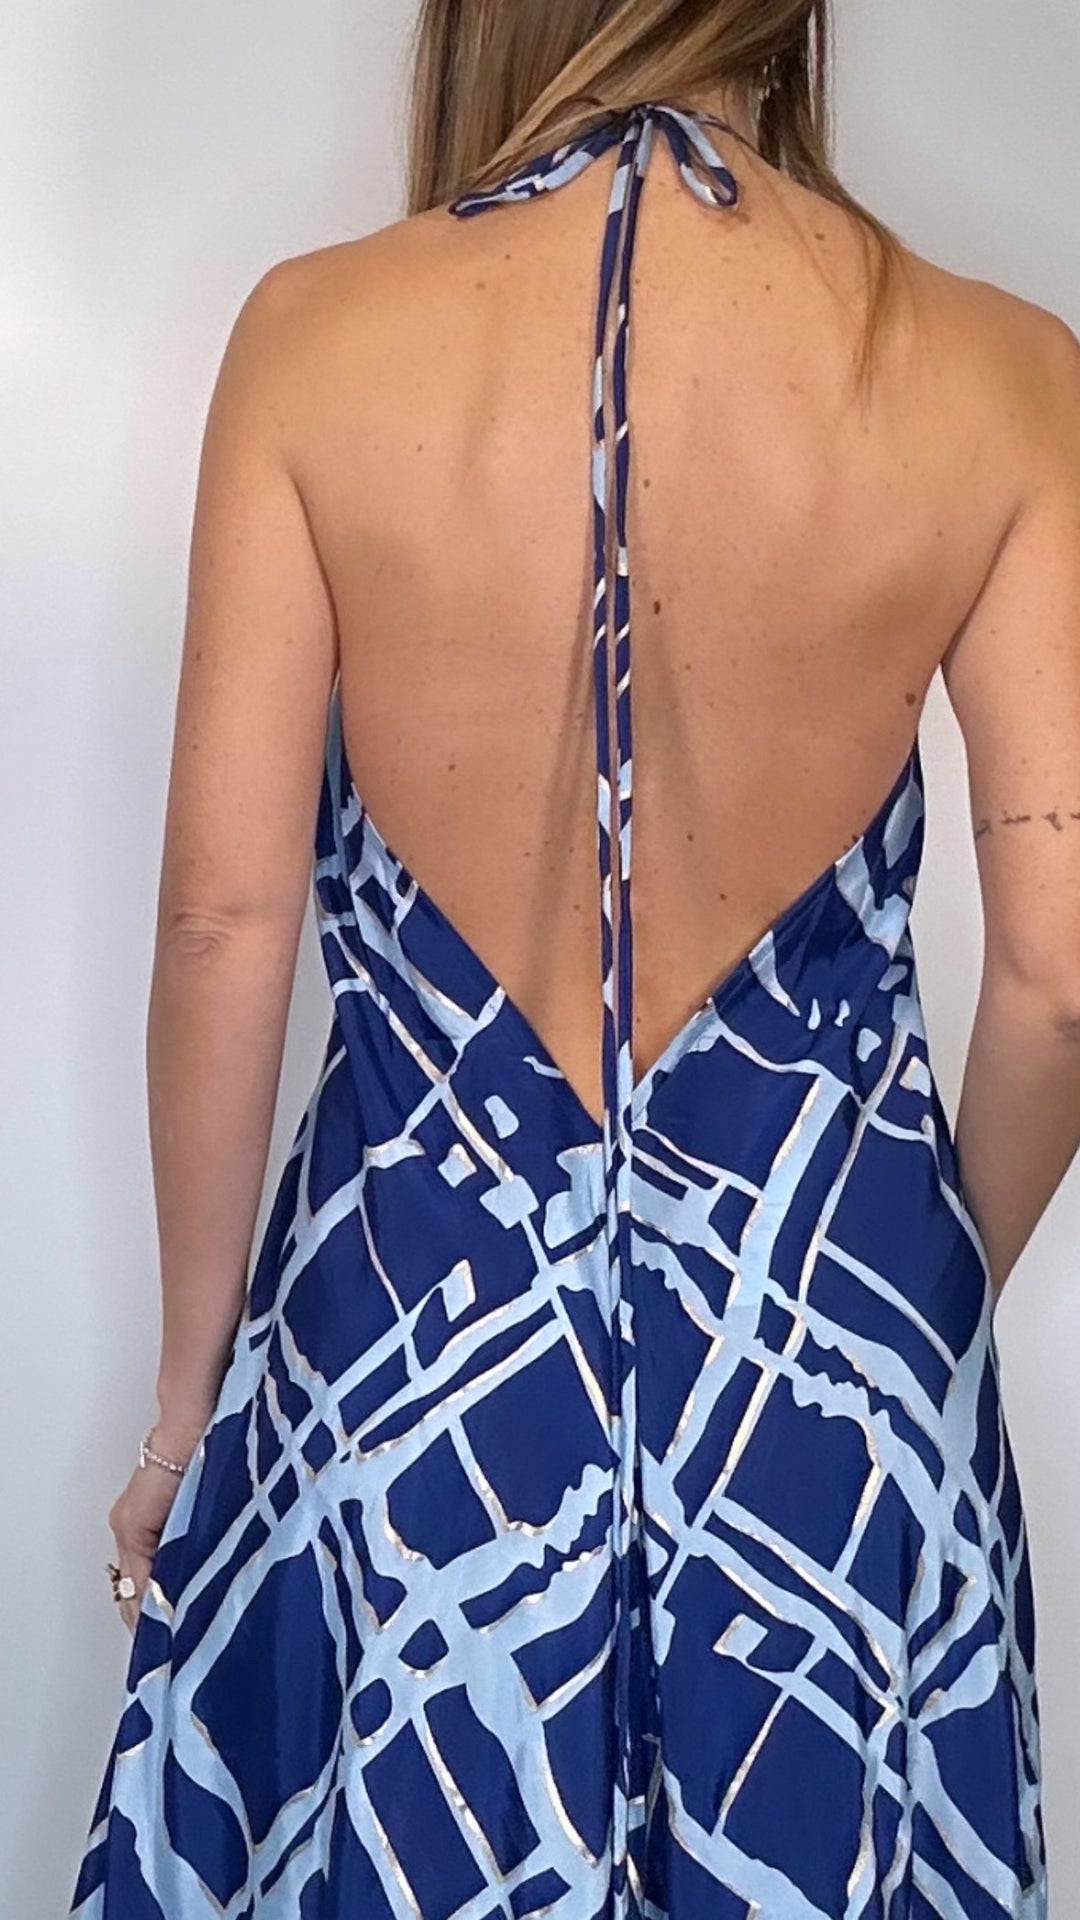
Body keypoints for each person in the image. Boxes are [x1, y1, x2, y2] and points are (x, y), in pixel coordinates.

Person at [71, 2, 1079, 1914]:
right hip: (830, 1378)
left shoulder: (315, 341)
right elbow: (1061, 981)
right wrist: (900, 1301)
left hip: (409, 1349)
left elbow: (221, 923)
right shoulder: (1001, 373)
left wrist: (188, 1403)